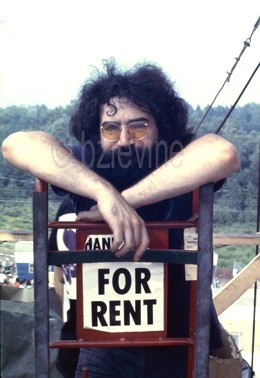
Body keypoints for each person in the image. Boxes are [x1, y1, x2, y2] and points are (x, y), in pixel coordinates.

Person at [2, 60, 240, 377]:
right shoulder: (92, 164)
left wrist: (122, 202)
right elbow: (16, 144)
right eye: (111, 129)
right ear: (97, 133)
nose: (124, 139)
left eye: (138, 126)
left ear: (161, 128)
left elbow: (222, 153)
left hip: (179, 344)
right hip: (98, 347)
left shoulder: (177, 161)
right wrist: (103, 192)